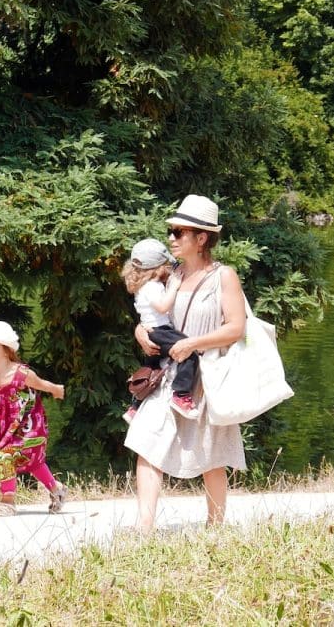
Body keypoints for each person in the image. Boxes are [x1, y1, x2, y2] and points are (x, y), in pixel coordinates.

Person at [124, 194, 247, 531]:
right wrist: (140, 332)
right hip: (168, 374)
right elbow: (152, 315)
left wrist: (193, 343)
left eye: (178, 232)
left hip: (207, 375)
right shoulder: (171, 275)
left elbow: (236, 328)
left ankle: (215, 527)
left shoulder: (224, 277)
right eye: (172, 232)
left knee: (212, 455)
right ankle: (143, 529)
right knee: (146, 442)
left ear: (201, 238)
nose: (171, 239)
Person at [0, 320, 68, 516]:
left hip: (28, 425)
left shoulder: (22, 374)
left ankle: (7, 501)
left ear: (6, 350)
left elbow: (43, 385)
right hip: (2, 429)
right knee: (34, 464)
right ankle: (57, 490)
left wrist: (57, 390)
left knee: (9, 456)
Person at [121, 238, 200, 422]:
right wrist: (173, 287)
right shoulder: (152, 287)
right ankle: (181, 395)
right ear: (157, 268)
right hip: (160, 331)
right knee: (189, 353)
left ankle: (135, 407)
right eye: (166, 266)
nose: (168, 270)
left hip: (151, 331)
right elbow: (163, 307)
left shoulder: (142, 287)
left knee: (151, 371)